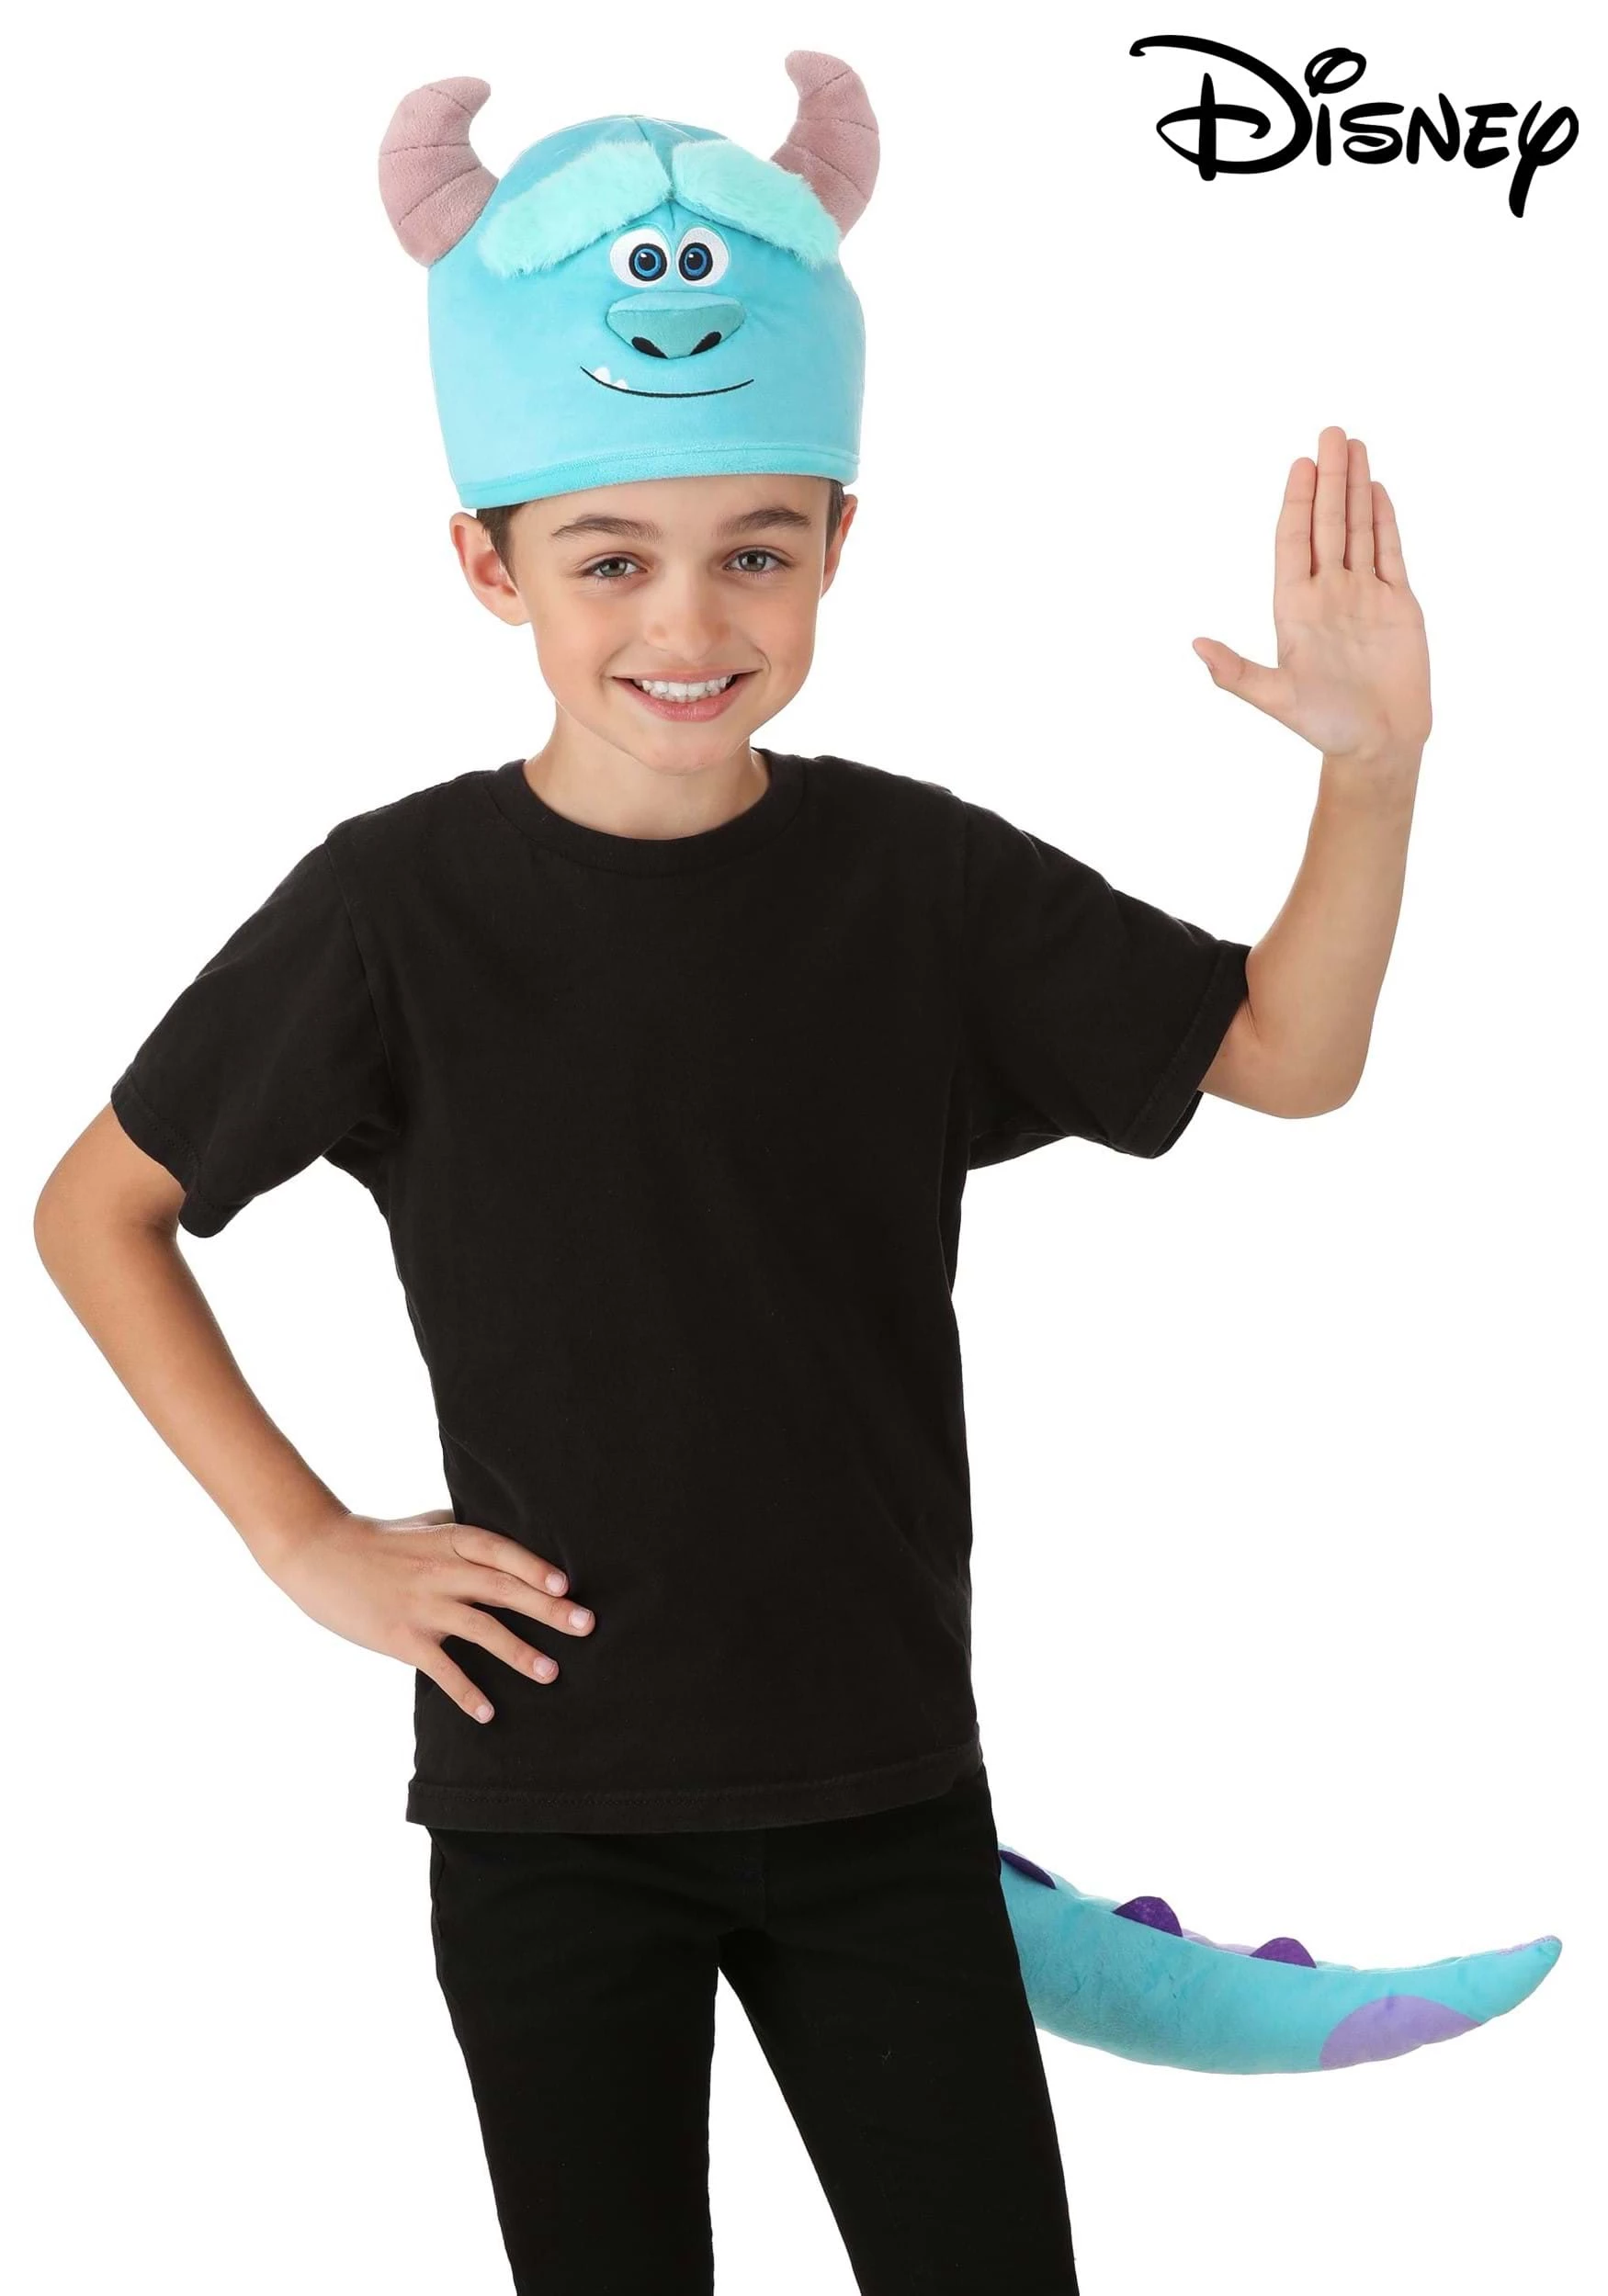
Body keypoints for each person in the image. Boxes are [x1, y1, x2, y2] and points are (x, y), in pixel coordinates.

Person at [33, 53, 1431, 2296]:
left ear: (834, 546)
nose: (686, 627)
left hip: (882, 1788)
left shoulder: (915, 884)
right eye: (610, 558)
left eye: (753, 552)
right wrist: (306, 1540)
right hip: (549, 1809)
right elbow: (95, 1208)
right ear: (487, 561)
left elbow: (1287, 1056)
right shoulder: (391, 911)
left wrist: (1368, 773)